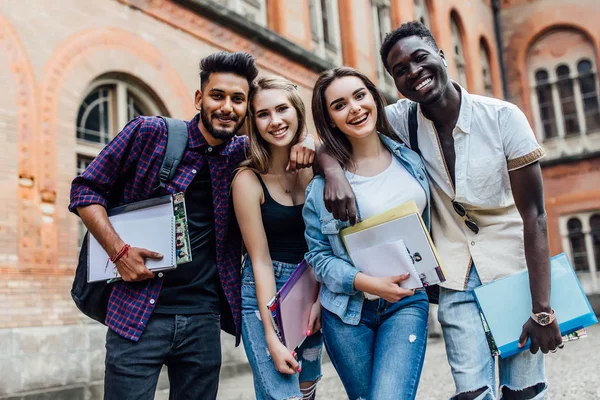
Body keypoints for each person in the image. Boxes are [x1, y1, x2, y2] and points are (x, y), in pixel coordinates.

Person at [318, 22, 563, 400]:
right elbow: (340, 135)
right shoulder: (400, 119)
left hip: (512, 269)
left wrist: (543, 309)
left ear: (442, 56)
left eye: (420, 58)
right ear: (394, 81)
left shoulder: (503, 117)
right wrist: (331, 169)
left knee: (523, 391)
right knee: (471, 393)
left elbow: (535, 215)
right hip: (453, 276)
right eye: (400, 70)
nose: (414, 72)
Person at [69, 52, 315, 400]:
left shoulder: (241, 156)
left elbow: (286, 134)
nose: (227, 107)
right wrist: (119, 251)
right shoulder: (150, 133)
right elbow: (85, 189)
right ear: (199, 98)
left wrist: (306, 141)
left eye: (238, 99)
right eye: (218, 96)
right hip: (137, 314)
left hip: (203, 319)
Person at [303, 66, 430, 400]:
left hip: (406, 299)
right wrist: (366, 282)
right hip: (347, 312)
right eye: (340, 105)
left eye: (360, 96)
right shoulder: (323, 188)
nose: (355, 108)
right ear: (330, 119)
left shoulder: (411, 159)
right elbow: (318, 258)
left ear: (375, 97)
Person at [232, 76, 323, 400]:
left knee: (306, 390)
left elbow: (326, 242)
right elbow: (259, 260)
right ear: (253, 123)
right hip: (266, 295)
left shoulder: (316, 164)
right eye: (263, 114)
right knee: (284, 397)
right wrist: (270, 334)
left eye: (282, 109)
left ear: (297, 110)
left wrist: (319, 298)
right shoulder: (248, 179)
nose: (275, 121)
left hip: (313, 285)